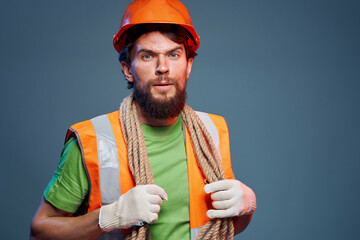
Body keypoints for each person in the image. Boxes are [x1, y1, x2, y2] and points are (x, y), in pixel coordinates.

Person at [30, 0, 256, 239]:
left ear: (188, 65)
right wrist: (110, 216)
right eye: (148, 56)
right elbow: (41, 231)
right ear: (128, 69)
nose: (163, 67)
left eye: (174, 54)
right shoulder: (91, 141)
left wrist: (247, 208)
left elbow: (220, 226)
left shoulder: (212, 131)